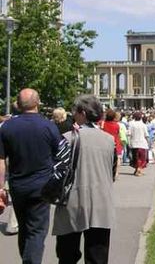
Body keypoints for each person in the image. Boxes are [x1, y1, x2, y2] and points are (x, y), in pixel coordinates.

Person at [0, 88, 63, 264]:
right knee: (36, 232)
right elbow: (61, 156)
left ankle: (28, 259)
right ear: (38, 103)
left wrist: (0, 188)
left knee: (25, 229)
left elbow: (1, 161)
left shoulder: (7, 127)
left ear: (19, 105)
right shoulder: (48, 126)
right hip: (42, 187)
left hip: (17, 187)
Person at [52, 94, 117, 264]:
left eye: (75, 111)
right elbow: (112, 171)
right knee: (97, 257)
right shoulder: (110, 141)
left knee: (67, 256)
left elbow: (58, 171)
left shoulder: (67, 139)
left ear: (82, 113)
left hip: (72, 204)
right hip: (101, 203)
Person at [101, 109, 122, 179]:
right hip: (115, 142)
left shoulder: (103, 124)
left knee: (106, 158)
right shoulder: (116, 125)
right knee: (118, 158)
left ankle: (107, 172)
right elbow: (118, 133)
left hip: (105, 142)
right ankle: (116, 173)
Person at [128, 111, 149, 176]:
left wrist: (129, 142)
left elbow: (129, 134)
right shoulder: (143, 125)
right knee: (142, 158)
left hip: (134, 143)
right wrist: (148, 142)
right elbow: (146, 135)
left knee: (135, 157)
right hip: (142, 143)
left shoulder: (131, 124)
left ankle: (137, 169)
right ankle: (139, 169)